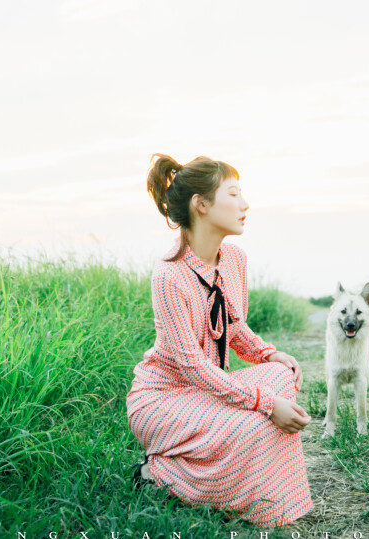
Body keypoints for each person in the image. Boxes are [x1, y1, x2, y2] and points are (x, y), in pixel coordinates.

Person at [125, 153, 314, 527]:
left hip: (208, 392)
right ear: (202, 204)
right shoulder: (169, 275)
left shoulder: (235, 260)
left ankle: (238, 474)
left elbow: (235, 326)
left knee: (281, 378)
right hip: (164, 399)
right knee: (260, 419)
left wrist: (269, 354)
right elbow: (192, 366)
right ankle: (157, 474)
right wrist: (262, 403)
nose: (245, 204)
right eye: (233, 194)